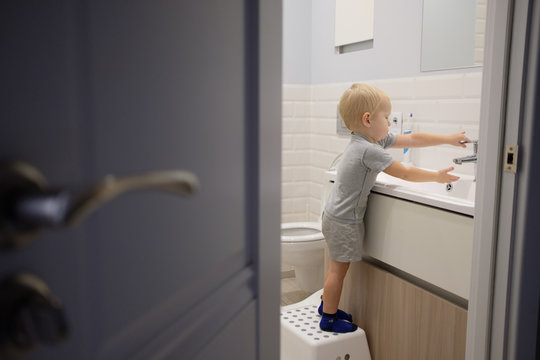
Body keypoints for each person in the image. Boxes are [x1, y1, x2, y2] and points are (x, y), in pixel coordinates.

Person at [318, 83, 470, 333]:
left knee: (336, 268)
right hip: (343, 221)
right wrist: (436, 177)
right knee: (338, 270)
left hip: (334, 215)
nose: (389, 123)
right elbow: (406, 173)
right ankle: (329, 317)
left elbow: (412, 138)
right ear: (368, 119)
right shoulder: (368, 149)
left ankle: (328, 306)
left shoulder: (364, 140)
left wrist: (449, 139)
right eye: (386, 117)